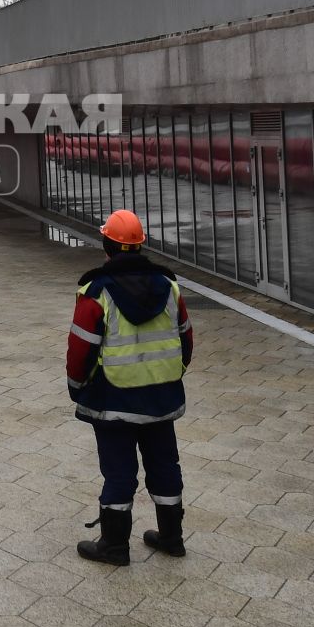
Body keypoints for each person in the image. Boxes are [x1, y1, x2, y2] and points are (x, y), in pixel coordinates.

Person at [66, 209, 193, 565]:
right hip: (161, 397)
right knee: (165, 466)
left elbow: (80, 350)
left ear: (106, 244)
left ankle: (114, 545)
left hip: (114, 400)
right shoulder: (169, 287)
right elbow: (186, 339)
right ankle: (171, 537)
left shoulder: (95, 292)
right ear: (140, 245)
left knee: (120, 472)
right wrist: (170, 373)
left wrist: (77, 387)